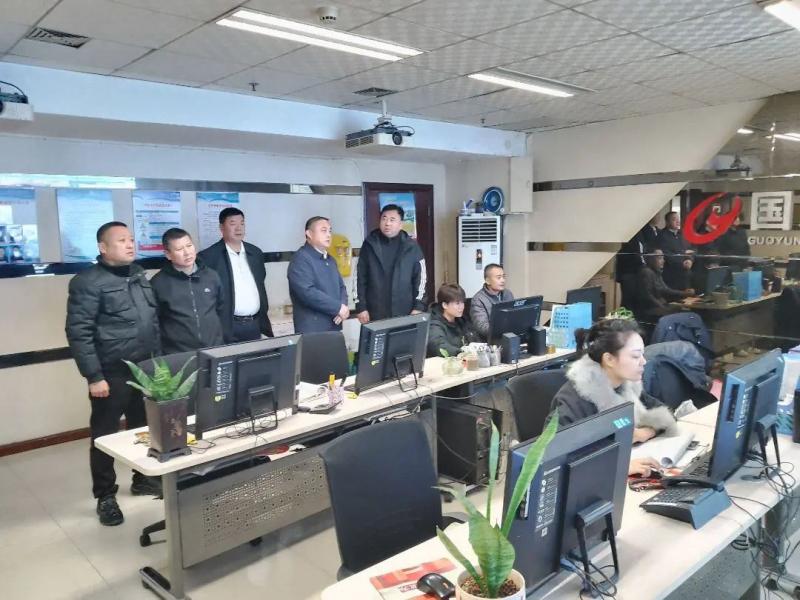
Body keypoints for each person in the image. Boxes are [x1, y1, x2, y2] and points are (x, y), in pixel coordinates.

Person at [65, 222, 162, 526]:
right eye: (121, 240)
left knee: (143, 428)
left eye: (131, 239)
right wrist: (94, 376)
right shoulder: (87, 282)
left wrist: (158, 365)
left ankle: (142, 478)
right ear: (103, 248)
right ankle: (105, 496)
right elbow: (78, 332)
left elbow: (152, 322)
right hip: (111, 372)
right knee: (104, 436)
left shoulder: (139, 274)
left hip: (144, 369)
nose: (130, 244)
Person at [551, 318, 677, 476]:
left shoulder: (626, 386)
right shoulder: (574, 401)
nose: (643, 362)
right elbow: (557, 462)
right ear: (609, 359)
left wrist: (644, 433)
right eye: (635, 356)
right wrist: (619, 467)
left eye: (642, 354)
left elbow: (666, 416)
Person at [198, 207, 273, 342]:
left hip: (256, 324)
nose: (239, 228)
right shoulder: (208, 257)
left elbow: (261, 284)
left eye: (242, 223)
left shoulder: (255, 253)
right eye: (233, 224)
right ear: (221, 228)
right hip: (227, 327)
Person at [150, 228, 225, 354]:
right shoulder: (158, 283)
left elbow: (221, 309)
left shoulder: (211, 276)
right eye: (179, 249)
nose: (187, 253)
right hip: (178, 354)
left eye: (189, 246)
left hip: (214, 349)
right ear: (168, 254)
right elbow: (154, 323)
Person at [355, 203, 427, 323]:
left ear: (401, 224)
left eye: (392, 219)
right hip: (375, 312)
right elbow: (359, 277)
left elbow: (421, 279)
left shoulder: (412, 247)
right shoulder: (369, 245)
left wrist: (419, 306)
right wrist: (361, 306)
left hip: (406, 312)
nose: (387, 223)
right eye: (384, 218)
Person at [287, 216, 349, 334]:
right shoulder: (300, 259)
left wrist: (343, 307)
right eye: (323, 230)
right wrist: (337, 308)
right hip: (313, 329)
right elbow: (307, 292)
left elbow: (341, 287)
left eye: (330, 231)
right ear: (309, 234)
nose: (328, 235)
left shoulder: (331, 260)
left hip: (334, 325)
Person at [635, 249, 694, 324]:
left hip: (661, 305)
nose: (663, 261)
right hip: (651, 309)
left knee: (684, 310)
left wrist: (684, 293)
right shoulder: (646, 272)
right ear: (650, 259)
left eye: (663, 258)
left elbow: (666, 290)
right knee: (682, 314)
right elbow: (648, 296)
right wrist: (663, 307)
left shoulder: (656, 272)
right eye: (659, 258)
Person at [427, 283, 481, 357]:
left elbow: (474, 338)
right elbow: (439, 346)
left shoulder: (461, 320)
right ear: (445, 305)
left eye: (462, 302)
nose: (461, 307)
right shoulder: (434, 324)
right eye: (457, 303)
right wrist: (462, 353)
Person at [470, 263, 514, 340]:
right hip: (489, 340)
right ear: (488, 281)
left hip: (509, 337)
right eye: (499, 278)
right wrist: (505, 329)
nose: (503, 280)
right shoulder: (478, 299)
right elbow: (482, 327)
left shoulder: (508, 293)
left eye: (503, 277)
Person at [657, 211, 694, 291]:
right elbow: (666, 254)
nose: (678, 221)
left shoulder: (682, 234)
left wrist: (689, 260)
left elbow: (690, 250)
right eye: (674, 219)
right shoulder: (662, 236)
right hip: (671, 275)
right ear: (667, 222)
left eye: (678, 219)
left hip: (685, 274)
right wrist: (682, 263)